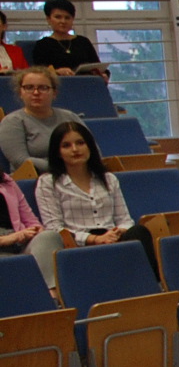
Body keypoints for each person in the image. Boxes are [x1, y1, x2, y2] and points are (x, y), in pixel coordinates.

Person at [28, 120, 158, 289]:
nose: (75, 149)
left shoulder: (109, 179)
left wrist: (118, 232)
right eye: (66, 145)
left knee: (139, 231)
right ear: (58, 152)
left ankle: (153, 287)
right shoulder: (48, 182)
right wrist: (95, 239)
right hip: (77, 243)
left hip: (112, 237)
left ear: (90, 146)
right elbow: (54, 228)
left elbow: (125, 219)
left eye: (80, 143)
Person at [0, 67, 84, 174]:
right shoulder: (12, 121)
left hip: (76, 173)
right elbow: (21, 160)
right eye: (29, 87)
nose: (36, 92)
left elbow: (92, 149)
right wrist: (64, 167)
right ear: (20, 93)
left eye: (43, 88)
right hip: (35, 178)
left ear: (54, 93)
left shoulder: (69, 116)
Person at [30, 0, 106, 78]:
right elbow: (39, 72)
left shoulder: (83, 42)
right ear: (48, 19)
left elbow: (97, 66)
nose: (63, 21)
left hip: (85, 82)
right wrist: (56, 72)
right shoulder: (42, 45)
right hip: (58, 83)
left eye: (67, 18)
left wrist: (103, 75)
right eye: (58, 17)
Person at [0, 168, 42, 254]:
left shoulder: (5, 179)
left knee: (48, 237)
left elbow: (30, 219)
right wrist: (7, 239)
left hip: (19, 240)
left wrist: (37, 230)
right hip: (4, 243)